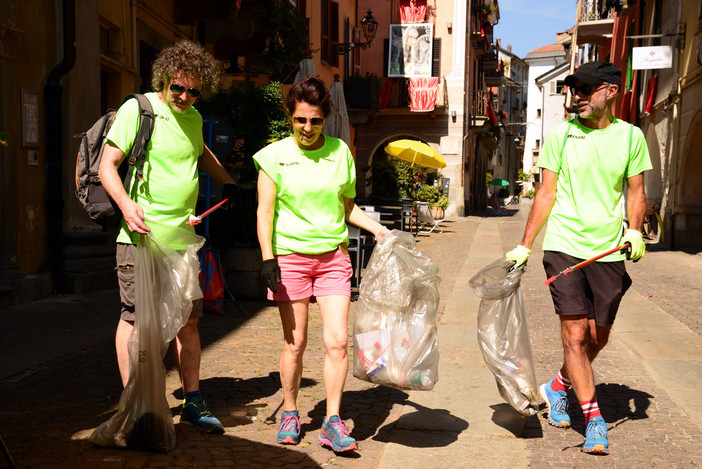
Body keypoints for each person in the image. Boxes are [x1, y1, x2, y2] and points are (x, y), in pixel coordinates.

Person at [505, 61, 652, 454]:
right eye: (574, 89)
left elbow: (636, 191)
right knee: (574, 334)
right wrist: (525, 244)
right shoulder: (561, 135)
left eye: (587, 89)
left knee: (596, 337)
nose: (578, 97)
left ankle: (558, 385)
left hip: (607, 250)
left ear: (611, 92)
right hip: (563, 246)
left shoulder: (631, 137)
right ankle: (594, 420)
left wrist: (634, 230)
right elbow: (546, 193)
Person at [99, 40, 239, 434]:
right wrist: (127, 206)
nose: (184, 96)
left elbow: (201, 153)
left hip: (181, 241)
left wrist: (226, 181)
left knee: (187, 323)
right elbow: (107, 165)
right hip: (139, 239)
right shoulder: (138, 109)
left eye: (193, 90)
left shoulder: (192, 117)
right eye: (177, 87)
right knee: (137, 320)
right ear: (162, 79)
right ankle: (137, 400)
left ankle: (192, 400)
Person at [254, 77, 389, 452]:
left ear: (325, 118)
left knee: (339, 341)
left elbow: (346, 206)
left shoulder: (340, 152)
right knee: (294, 343)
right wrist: (267, 258)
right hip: (290, 259)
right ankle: (291, 413)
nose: (307, 128)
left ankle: (332, 420)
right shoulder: (273, 155)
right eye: (300, 120)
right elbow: (265, 212)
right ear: (290, 117)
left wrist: (377, 229)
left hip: (333, 257)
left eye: (314, 120)